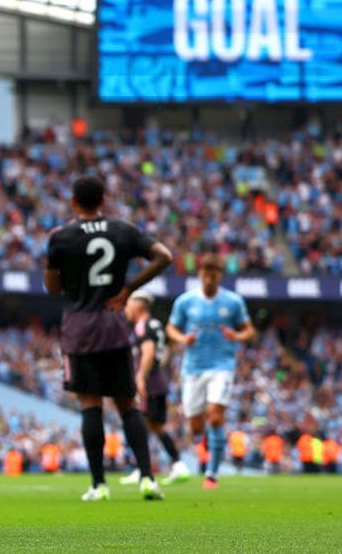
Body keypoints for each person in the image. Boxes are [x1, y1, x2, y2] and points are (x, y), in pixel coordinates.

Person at [44, 175, 172, 502]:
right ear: (103, 200)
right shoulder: (122, 230)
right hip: (114, 324)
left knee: (90, 405)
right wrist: (128, 288)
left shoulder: (61, 237)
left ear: (74, 202)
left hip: (79, 328)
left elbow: (53, 288)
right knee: (127, 403)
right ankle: (147, 478)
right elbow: (164, 256)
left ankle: (99, 485)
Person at [166, 251, 256, 490]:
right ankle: (209, 442)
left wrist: (236, 335)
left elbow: (249, 331)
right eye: (206, 274)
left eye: (214, 274)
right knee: (196, 424)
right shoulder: (185, 302)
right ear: (200, 274)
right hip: (193, 368)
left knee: (216, 417)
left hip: (222, 366)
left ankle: (212, 474)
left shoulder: (233, 302)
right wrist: (183, 339)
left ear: (220, 276)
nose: (209, 279)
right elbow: (171, 329)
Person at [121, 292, 191, 485]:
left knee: (138, 424)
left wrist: (141, 377)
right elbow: (166, 350)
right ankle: (177, 464)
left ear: (138, 305)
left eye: (129, 304)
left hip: (150, 382)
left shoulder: (143, 326)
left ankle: (142, 467)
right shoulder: (156, 325)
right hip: (158, 380)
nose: (126, 309)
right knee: (155, 426)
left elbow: (149, 350)